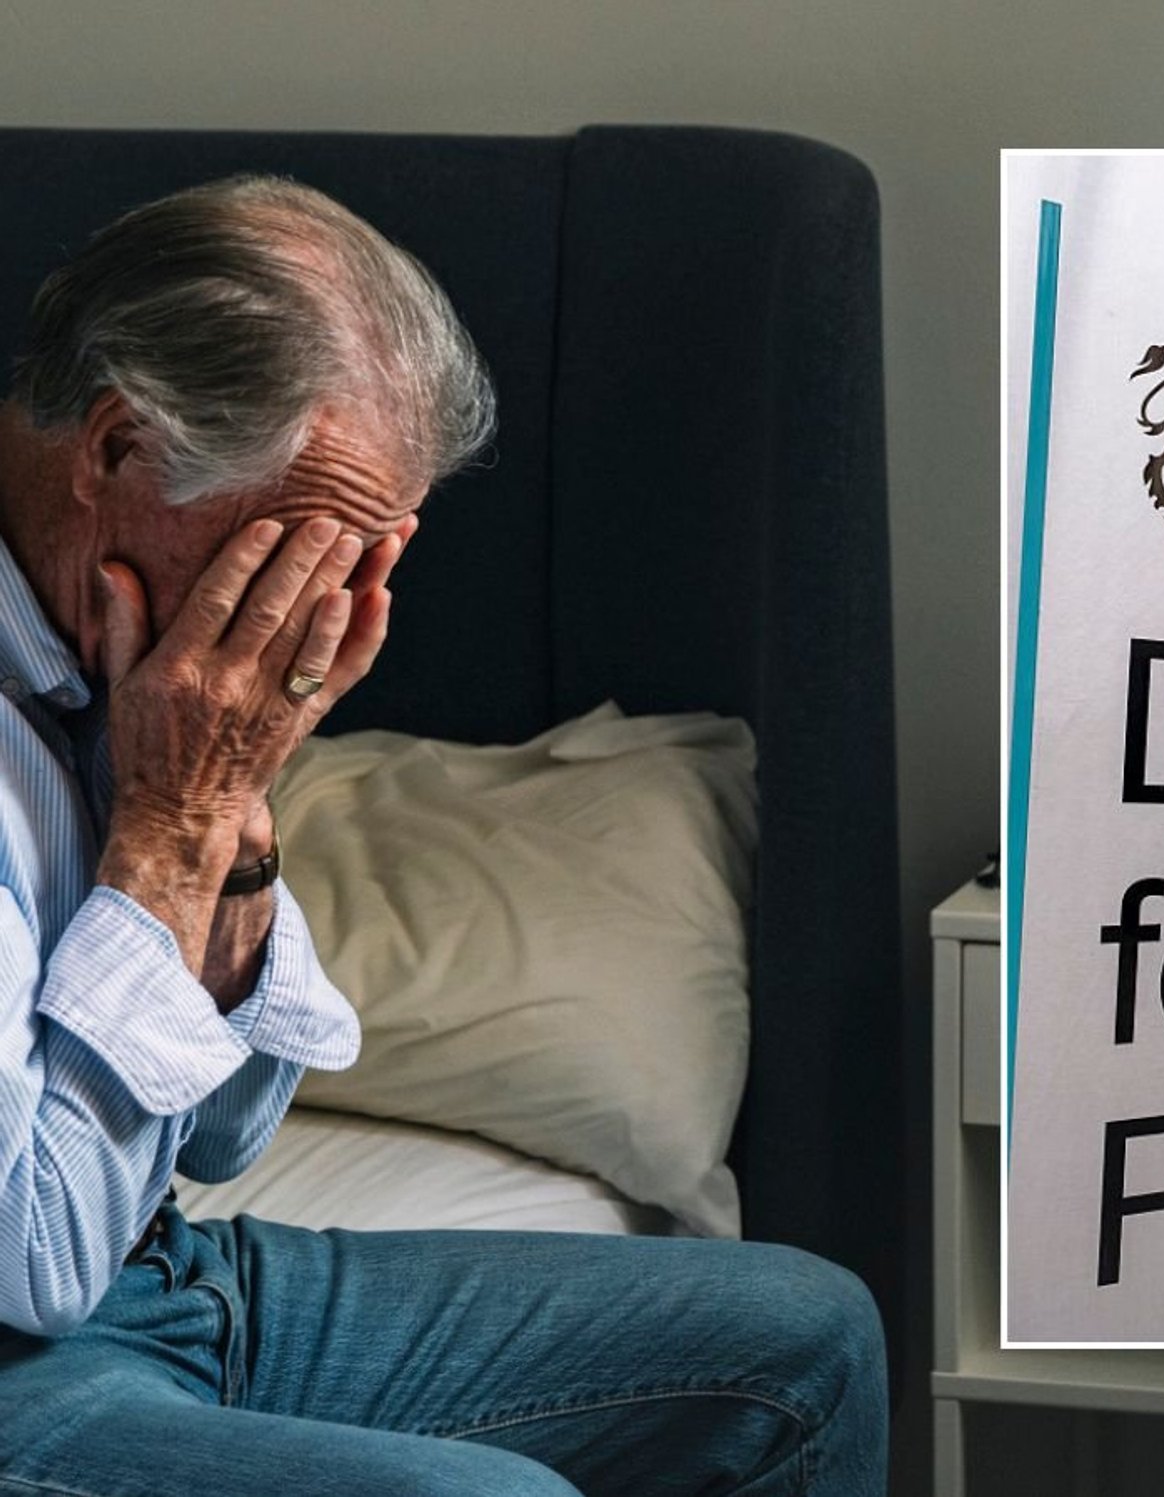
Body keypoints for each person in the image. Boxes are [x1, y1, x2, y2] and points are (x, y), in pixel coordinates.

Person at [0, 176, 886, 1496]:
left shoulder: (141, 675)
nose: (316, 627)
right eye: (293, 560)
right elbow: (40, 1254)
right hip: (23, 1355)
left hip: (165, 1277)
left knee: (810, 1340)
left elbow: (225, 1132)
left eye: (367, 570)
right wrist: (170, 823)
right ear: (121, 452)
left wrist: (234, 818)